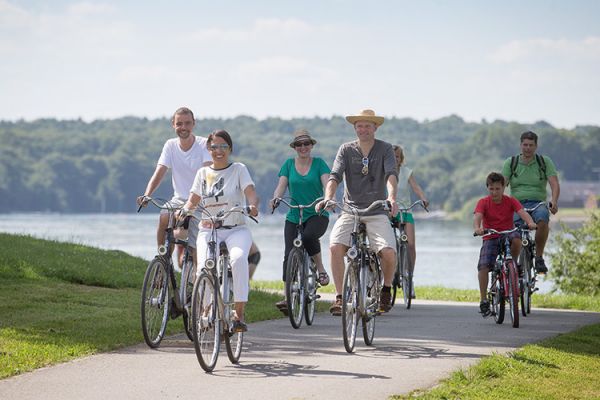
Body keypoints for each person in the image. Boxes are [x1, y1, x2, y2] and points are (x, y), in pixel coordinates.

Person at [316, 109, 398, 315]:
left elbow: (391, 175)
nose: (363, 129)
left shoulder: (385, 149)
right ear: (355, 128)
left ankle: (386, 288)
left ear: (375, 128)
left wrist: (391, 198)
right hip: (350, 210)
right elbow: (334, 176)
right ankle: (340, 297)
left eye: (367, 126)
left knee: (388, 252)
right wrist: (329, 197)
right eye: (359, 126)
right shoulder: (346, 149)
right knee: (335, 247)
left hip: (376, 210)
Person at [181, 130, 259, 333]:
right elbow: (193, 199)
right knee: (203, 268)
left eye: (223, 146)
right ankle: (207, 310)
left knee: (239, 259)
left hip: (236, 229)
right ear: (208, 149)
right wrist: (184, 212)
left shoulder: (239, 169)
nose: (218, 151)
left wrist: (252, 206)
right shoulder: (202, 173)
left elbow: (251, 193)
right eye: (214, 147)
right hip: (208, 229)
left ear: (230, 149)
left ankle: (238, 315)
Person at [137, 107, 212, 267]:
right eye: (179, 124)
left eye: (187, 123)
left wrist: (189, 206)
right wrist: (147, 194)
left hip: (201, 201)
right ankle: (163, 261)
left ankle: (195, 282)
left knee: (195, 249)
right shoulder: (170, 145)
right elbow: (160, 171)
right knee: (164, 216)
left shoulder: (203, 144)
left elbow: (206, 175)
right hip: (178, 199)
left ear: (194, 124)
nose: (183, 127)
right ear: (173, 124)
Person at [270, 129, 331, 314]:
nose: (303, 147)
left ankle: (320, 268)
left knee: (308, 236)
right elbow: (281, 186)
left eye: (306, 144)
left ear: (311, 145)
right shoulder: (288, 165)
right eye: (299, 144)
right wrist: (276, 199)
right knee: (289, 255)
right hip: (295, 214)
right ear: (294, 147)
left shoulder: (319, 164)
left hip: (317, 213)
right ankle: (288, 297)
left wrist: (327, 199)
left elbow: (328, 182)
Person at [473, 172, 536, 317]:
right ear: (487, 188)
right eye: (491, 189)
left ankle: (512, 265)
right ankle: (483, 300)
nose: (494, 192)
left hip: (508, 232)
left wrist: (530, 222)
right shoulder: (483, 202)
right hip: (491, 236)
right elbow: (478, 217)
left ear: (503, 188)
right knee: (483, 266)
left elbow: (522, 212)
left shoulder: (510, 201)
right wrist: (478, 228)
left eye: (497, 189)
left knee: (517, 239)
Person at [501, 130, 560, 274]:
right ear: (520, 145)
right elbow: (502, 185)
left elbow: (554, 184)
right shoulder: (511, 162)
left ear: (536, 146)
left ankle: (539, 257)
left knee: (542, 221)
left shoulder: (544, 162)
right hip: (517, 204)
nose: (528, 148)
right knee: (515, 231)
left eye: (531, 145)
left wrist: (554, 201)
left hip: (538, 202)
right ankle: (513, 266)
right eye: (525, 145)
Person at [392, 144, 429, 299]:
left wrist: (423, 198)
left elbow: (416, 187)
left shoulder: (407, 172)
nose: (395, 159)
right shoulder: (384, 172)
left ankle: (409, 277)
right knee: (389, 244)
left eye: (398, 157)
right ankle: (388, 273)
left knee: (411, 245)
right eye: (392, 156)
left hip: (406, 211)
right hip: (390, 211)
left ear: (401, 159)